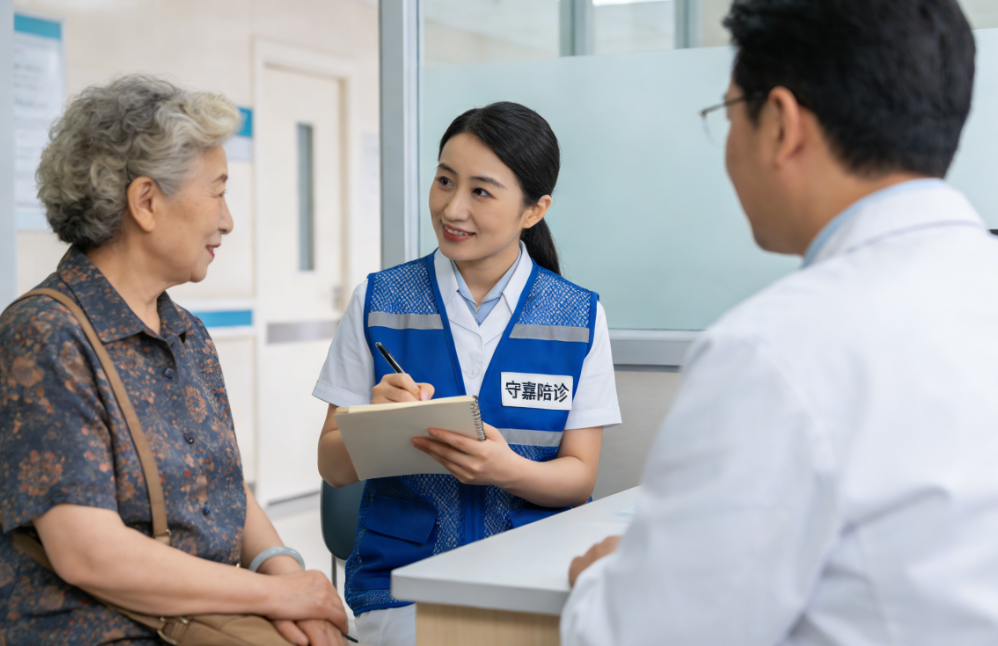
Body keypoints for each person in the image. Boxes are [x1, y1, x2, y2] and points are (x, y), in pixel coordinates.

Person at [562, 1, 998, 644]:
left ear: (783, 125)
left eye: (729, 114)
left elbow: (645, 633)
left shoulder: (774, 351)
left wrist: (605, 579)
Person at [0, 75, 348, 646]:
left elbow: (226, 486)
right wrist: (275, 596)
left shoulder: (187, 333)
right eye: (218, 190)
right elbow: (88, 553)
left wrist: (293, 582)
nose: (228, 220)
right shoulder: (44, 335)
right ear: (146, 202)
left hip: (204, 619)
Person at [314, 101, 621, 646]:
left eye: (480, 191)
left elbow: (580, 476)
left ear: (534, 209)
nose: (452, 208)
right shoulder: (380, 301)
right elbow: (332, 467)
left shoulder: (577, 315)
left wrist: (507, 469)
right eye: (444, 181)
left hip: (533, 580)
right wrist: (372, 422)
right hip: (403, 590)